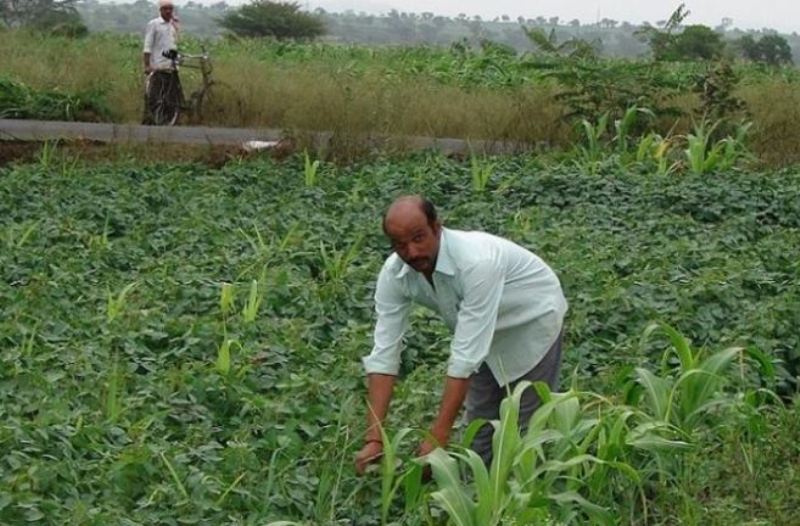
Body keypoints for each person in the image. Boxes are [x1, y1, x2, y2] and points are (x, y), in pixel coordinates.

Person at [355, 196, 568, 474]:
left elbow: (465, 357)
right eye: (400, 244)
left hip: (531, 323)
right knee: (479, 431)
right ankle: (477, 490)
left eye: (418, 238)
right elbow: (385, 352)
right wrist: (374, 438)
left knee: (522, 433)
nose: (412, 252)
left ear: (437, 227)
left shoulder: (476, 263)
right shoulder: (395, 274)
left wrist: (438, 436)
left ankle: (522, 491)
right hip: (482, 336)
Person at [142, 0, 183, 124]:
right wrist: (147, 65)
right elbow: (148, 46)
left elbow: (170, 47)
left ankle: (170, 120)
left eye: (170, 9)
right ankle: (153, 120)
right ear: (160, 10)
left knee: (172, 97)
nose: (168, 11)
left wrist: (178, 57)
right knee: (155, 97)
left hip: (171, 66)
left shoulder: (173, 25)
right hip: (158, 67)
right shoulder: (154, 24)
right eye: (165, 9)